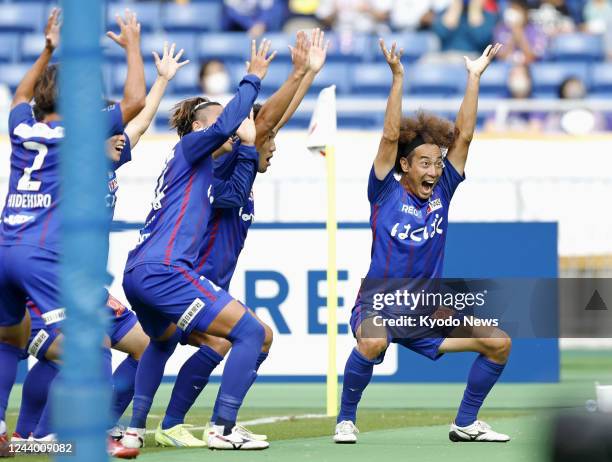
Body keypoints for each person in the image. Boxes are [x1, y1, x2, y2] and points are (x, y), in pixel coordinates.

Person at [153, 29, 329, 448]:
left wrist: (306, 76)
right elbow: (266, 121)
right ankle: (218, 425)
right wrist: (300, 73)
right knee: (250, 336)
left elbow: (272, 123)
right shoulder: (226, 158)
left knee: (183, 347)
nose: (273, 146)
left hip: (204, 278)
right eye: (267, 141)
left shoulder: (239, 162)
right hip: (190, 277)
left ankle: (167, 423)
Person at [333, 40, 512, 444]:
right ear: (404, 166)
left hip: (427, 310)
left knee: (498, 343)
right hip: (379, 303)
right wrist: (398, 77)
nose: (434, 170)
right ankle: (346, 419)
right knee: (373, 342)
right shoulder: (384, 192)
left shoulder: (443, 190)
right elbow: (389, 135)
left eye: (437, 162)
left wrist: (474, 78)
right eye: (425, 163)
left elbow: (464, 136)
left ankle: (466, 423)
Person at [0, 8, 146, 458]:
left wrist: (47, 49)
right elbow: (136, 102)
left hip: (5, 246)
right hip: (43, 254)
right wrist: (134, 48)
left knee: (8, 340)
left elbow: (19, 96)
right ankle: (48, 440)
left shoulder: (22, 127)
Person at [120, 38, 276, 451]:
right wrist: (253, 77)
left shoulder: (202, 170)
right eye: (222, 118)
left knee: (160, 340)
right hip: (165, 269)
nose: (233, 122)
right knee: (250, 332)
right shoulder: (191, 147)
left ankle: (135, 428)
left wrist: (247, 146)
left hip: (140, 271)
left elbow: (235, 195)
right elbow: (226, 127)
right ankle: (223, 427)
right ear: (200, 127)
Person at [432, 0, 497, 55]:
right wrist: (454, 10)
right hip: (446, 57)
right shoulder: (444, 14)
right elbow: (440, 35)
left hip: (473, 59)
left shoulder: (488, 17)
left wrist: (475, 11)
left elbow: (481, 40)